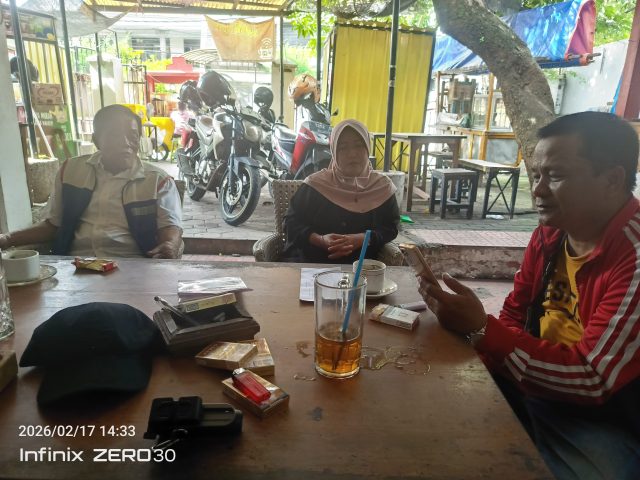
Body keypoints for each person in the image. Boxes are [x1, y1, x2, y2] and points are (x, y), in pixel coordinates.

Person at [418, 111, 640, 479]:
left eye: (556, 175)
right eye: (536, 175)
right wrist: (484, 363)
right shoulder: (550, 234)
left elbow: (592, 378)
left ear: (612, 180)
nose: (537, 191)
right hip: (533, 383)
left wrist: (482, 331)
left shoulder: (633, 257)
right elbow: (516, 313)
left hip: (601, 416)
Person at [0, 104, 183, 258]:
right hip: (75, 266)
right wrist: (7, 239)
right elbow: (53, 225)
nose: (126, 143)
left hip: (133, 267)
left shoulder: (157, 181)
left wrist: (171, 244)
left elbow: (170, 227)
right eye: (114, 136)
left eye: (133, 136)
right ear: (96, 140)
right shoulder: (71, 171)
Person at [282, 119, 399, 263]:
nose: (352, 154)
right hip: (312, 263)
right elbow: (290, 223)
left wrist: (364, 239)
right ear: (334, 151)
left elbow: (391, 227)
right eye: (343, 147)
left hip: (361, 267)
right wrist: (320, 240)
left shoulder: (382, 187)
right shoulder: (315, 185)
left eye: (358, 145)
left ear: (368, 148)